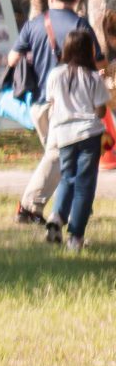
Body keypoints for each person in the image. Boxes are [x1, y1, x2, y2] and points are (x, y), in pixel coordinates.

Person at [11, 0, 99, 226]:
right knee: (59, 156)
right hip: (70, 106)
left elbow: (12, 59)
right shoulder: (81, 26)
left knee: (62, 156)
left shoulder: (33, 24)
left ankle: (71, 207)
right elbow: (98, 61)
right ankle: (29, 206)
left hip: (39, 104)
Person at [43, 27, 105, 249]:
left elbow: (51, 103)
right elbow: (100, 111)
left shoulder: (55, 75)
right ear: (89, 51)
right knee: (84, 185)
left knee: (67, 178)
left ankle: (55, 218)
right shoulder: (93, 77)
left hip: (64, 134)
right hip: (89, 134)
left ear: (66, 49)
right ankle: (75, 237)